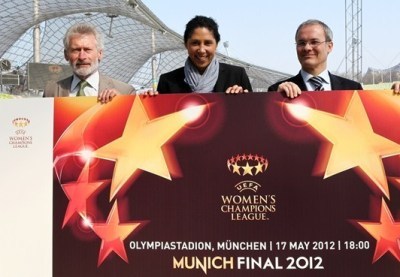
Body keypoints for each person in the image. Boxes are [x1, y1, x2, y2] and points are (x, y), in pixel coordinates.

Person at [147, 15, 252, 95]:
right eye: (195, 43)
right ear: (186, 44)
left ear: (216, 45)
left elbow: (253, 116)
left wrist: (243, 99)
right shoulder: (168, 81)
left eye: (207, 43)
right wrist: (149, 102)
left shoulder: (237, 76)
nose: (202, 50)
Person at [268, 19, 362, 98]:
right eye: (301, 43)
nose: (307, 48)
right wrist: (277, 99)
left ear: (329, 46)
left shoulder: (353, 90)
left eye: (314, 42)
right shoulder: (278, 92)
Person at [43, 22, 134, 103]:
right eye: (76, 50)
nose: (82, 57)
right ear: (66, 55)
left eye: (87, 50)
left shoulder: (125, 92)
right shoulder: (51, 91)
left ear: (100, 53)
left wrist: (123, 104)